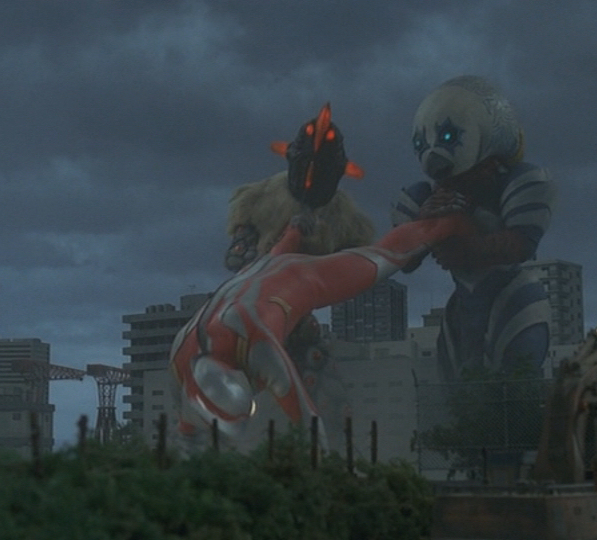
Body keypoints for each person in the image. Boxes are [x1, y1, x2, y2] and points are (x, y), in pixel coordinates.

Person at [170, 210, 473, 453]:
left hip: (302, 278)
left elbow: (306, 416)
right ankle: (295, 230)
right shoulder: (181, 359)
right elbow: (188, 425)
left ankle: (456, 219)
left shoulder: (257, 347)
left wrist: (324, 473)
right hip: (260, 272)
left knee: (386, 257)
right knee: (272, 263)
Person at [392, 75, 557, 381]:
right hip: (463, 305)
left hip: (511, 296)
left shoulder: (521, 181)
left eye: (448, 137)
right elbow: (403, 259)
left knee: (513, 376)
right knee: (458, 384)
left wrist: (465, 241)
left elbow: (520, 244)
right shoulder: (423, 196)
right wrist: (424, 226)